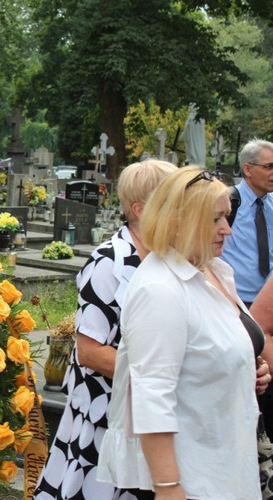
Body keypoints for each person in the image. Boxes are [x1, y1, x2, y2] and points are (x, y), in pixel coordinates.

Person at [98, 167, 268, 499]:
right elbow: (151, 396)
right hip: (193, 475)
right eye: (216, 219)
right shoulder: (162, 288)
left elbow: (209, 350)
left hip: (225, 460)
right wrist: (168, 486)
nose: (227, 230)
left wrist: (248, 368)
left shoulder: (213, 270)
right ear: (180, 220)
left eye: (227, 217)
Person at [34, 159, 177, 500]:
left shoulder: (170, 257)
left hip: (150, 410)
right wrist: (163, 377)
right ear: (141, 209)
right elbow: (90, 350)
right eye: (173, 201)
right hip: (107, 415)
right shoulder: (109, 262)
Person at [220, 138, 273, 307]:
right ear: (248, 169)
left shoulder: (271, 205)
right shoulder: (227, 202)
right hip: (234, 300)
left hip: (267, 302)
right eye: (268, 167)